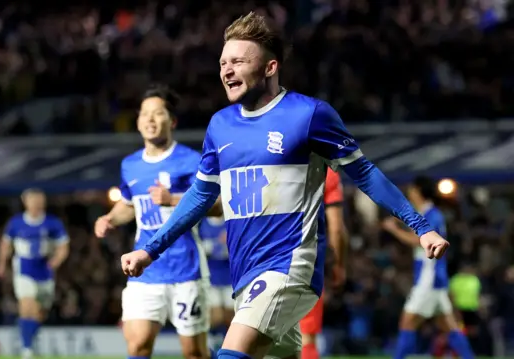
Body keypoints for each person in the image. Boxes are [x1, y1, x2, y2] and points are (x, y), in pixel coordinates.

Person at [120, 12, 449, 359]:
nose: (227, 70)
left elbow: (365, 173)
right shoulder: (220, 126)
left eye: (238, 61)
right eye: (223, 63)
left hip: (289, 267)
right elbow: (200, 196)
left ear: (270, 67)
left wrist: (420, 226)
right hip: (246, 274)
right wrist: (149, 250)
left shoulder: (309, 115)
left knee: (231, 353)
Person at [94, 84, 221, 359]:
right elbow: (130, 206)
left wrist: (173, 199)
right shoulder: (130, 165)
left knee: (195, 353)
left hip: (185, 270)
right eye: (145, 114)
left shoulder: (191, 160)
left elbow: (219, 207)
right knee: (138, 345)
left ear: (172, 121)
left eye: (158, 113)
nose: (150, 119)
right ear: (138, 122)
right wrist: (110, 218)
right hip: (145, 270)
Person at [382, 176, 474, 359]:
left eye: (412, 190)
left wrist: (394, 230)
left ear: (418, 191)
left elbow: (420, 241)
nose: (409, 193)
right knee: (450, 327)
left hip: (428, 278)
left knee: (407, 322)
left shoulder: (432, 215)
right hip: (436, 279)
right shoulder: (429, 214)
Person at [0, 189, 69, 359]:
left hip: (44, 270)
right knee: (28, 305)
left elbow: (63, 246)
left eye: (39, 200)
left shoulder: (53, 223)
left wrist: (56, 261)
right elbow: (5, 244)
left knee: (40, 312)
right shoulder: (16, 223)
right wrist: (1, 264)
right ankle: (26, 350)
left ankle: (28, 337)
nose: (36, 203)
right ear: (25, 201)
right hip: (24, 268)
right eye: (33, 200)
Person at [299, 168, 348, 359]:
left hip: (267, 257)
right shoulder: (327, 171)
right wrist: (338, 264)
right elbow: (336, 228)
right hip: (307, 260)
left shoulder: (270, 157)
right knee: (306, 337)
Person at [199, 216, 233, 348]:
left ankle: (228, 347)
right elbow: (199, 247)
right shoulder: (203, 223)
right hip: (211, 277)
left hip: (230, 277)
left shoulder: (230, 220)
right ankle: (210, 343)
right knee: (216, 316)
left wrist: (229, 243)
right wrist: (216, 246)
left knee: (231, 318)